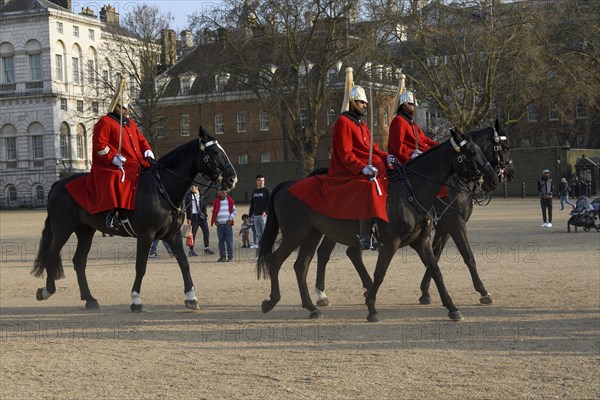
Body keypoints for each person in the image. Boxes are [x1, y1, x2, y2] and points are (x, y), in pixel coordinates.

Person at [288, 85, 392, 250]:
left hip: (365, 166)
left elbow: (372, 147)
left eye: (365, 102)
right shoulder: (343, 122)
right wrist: (362, 168)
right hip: (346, 170)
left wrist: (386, 156)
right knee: (368, 186)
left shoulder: (362, 124)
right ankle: (366, 235)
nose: (365, 105)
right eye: (361, 102)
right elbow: (345, 154)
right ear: (352, 102)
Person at [65, 79, 154, 229]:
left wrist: (147, 149)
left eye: (128, 108)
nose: (128, 111)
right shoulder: (105, 122)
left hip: (135, 161)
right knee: (117, 178)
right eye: (125, 108)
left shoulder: (130, 123)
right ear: (117, 107)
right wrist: (113, 157)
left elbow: (141, 139)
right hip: (112, 164)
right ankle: (112, 214)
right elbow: (100, 145)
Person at [387, 91, 439, 163]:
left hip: (424, 154)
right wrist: (411, 154)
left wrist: (437, 145)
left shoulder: (412, 122)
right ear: (405, 105)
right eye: (412, 104)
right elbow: (397, 146)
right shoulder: (399, 121)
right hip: (411, 161)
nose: (415, 107)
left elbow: (423, 139)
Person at [185, 184, 214, 256]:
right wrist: (188, 218)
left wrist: (205, 214)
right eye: (190, 187)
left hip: (201, 216)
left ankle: (206, 248)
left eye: (193, 187)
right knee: (193, 234)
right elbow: (187, 208)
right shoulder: (188, 196)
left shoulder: (202, 195)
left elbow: (204, 205)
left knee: (206, 232)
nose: (191, 188)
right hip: (193, 217)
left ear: (197, 187)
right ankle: (191, 250)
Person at [211, 189, 236, 262]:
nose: (224, 194)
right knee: (221, 241)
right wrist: (215, 220)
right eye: (222, 192)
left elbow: (234, 211)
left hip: (227, 224)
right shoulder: (216, 201)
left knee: (229, 241)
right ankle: (222, 257)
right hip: (220, 225)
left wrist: (230, 219)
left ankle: (230, 257)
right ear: (219, 193)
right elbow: (213, 211)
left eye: (225, 192)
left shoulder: (230, 201)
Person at [249, 174, 271, 249]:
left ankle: (267, 250)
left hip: (264, 216)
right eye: (259, 180)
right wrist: (250, 216)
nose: (261, 182)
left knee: (266, 234)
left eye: (263, 180)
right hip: (256, 217)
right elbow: (252, 204)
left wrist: (265, 212)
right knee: (259, 235)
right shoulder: (254, 191)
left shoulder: (267, 191)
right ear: (256, 181)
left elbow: (270, 202)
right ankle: (261, 252)